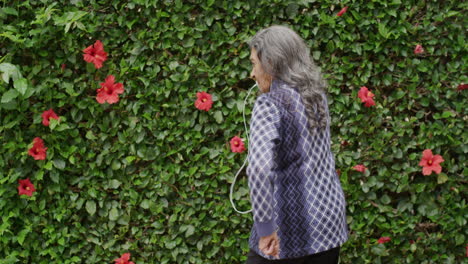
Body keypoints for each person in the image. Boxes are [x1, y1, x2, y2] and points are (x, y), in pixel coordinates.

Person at [245, 25, 349, 264]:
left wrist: (265, 228)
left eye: (254, 63)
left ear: (270, 63)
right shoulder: (316, 96)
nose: (252, 73)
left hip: (290, 228)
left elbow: (259, 169)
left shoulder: (269, 104)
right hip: (329, 222)